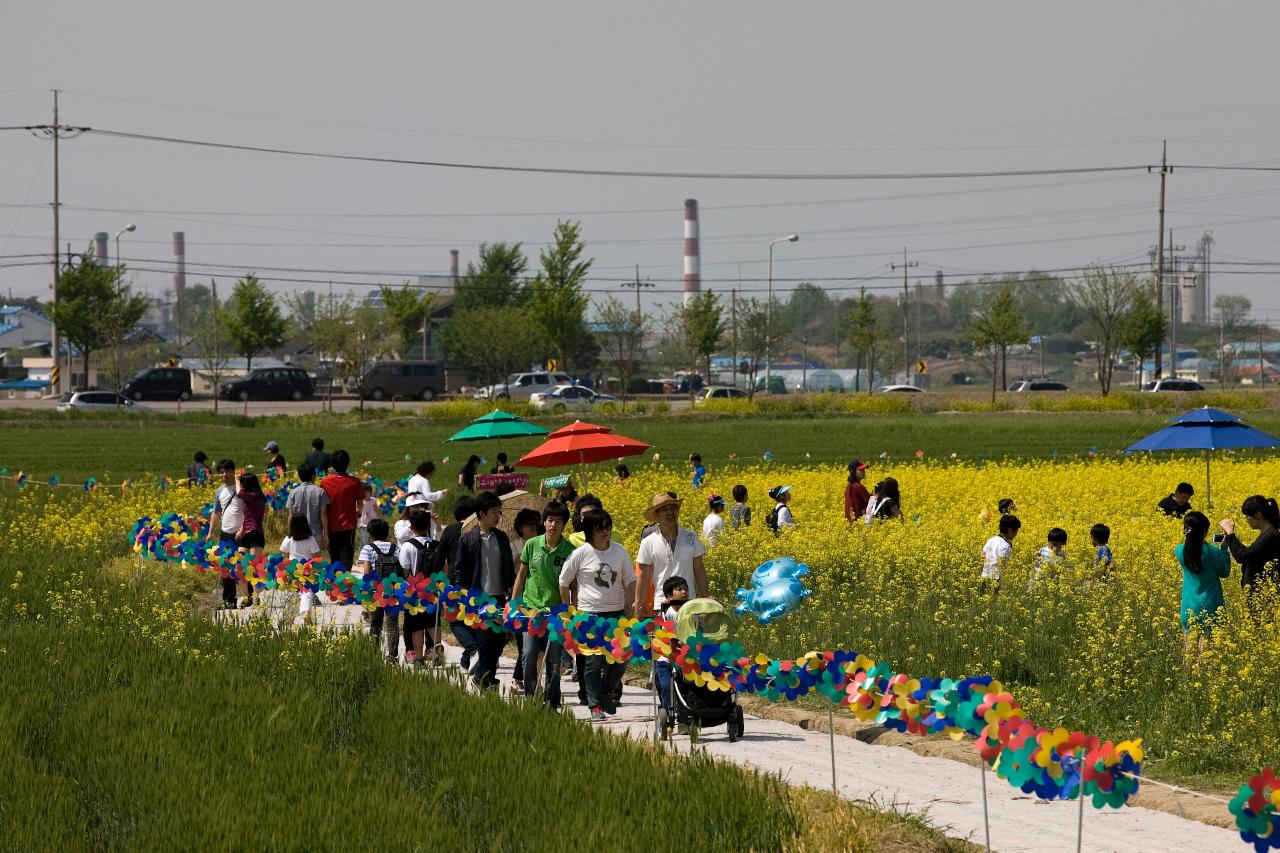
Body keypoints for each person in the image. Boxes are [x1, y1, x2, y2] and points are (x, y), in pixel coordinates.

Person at [559, 508, 635, 721]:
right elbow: (563, 581)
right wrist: (569, 608)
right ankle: (595, 705)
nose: (605, 532)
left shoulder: (619, 551)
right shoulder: (581, 553)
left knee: (622, 657)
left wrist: (632, 608)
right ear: (589, 531)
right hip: (589, 615)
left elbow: (630, 581)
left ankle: (606, 690)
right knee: (593, 662)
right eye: (599, 528)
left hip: (616, 613)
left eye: (607, 527)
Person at [513, 501, 574, 708]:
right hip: (530, 609)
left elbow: (573, 583)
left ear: (564, 524)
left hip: (556, 613)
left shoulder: (569, 550)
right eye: (549, 520)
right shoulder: (531, 545)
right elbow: (522, 575)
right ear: (544, 522)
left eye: (558, 521)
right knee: (529, 654)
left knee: (554, 660)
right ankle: (531, 698)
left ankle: (552, 702)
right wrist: (514, 602)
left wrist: (570, 610)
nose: (553, 525)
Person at [451, 491, 515, 689]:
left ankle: (484, 677)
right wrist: (460, 594)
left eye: (499, 512)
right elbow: (459, 570)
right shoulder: (467, 540)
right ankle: (485, 679)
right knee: (486, 641)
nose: (498, 516)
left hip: (498, 597)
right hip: (478, 598)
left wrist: (512, 587)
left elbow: (509, 567)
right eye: (494, 512)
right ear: (481, 513)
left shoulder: (502, 538)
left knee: (498, 641)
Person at [635, 492, 708, 618]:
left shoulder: (690, 537)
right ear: (657, 514)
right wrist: (639, 604)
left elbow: (699, 569)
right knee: (664, 638)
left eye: (673, 509)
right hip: (662, 605)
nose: (670, 513)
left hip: (688, 604)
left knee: (690, 638)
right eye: (665, 509)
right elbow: (643, 577)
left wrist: (706, 599)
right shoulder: (648, 542)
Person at [1178, 511, 1231, 656]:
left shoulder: (1180, 551)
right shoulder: (1213, 552)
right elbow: (1225, 572)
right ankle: (1202, 678)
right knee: (1206, 652)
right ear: (1205, 532)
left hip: (1188, 607)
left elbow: (1191, 547)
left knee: (1189, 650)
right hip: (1210, 606)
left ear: (1186, 530)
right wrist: (1224, 548)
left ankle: (1187, 677)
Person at [436, 495, 477, 670]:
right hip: (476, 581)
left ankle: (474, 648)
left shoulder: (451, 530)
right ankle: (467, 659)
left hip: (454, 582)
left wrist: (437, 579)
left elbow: (440, 558)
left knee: (455, 621)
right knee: (473, 619)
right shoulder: (478, 530)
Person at [398, 507, 441, 668]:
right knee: (432, 622)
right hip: (433, 590)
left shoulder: (408, 546)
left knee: (416, 626)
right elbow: (444, 569)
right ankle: (436, 650)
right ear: (429, 525)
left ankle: (419, 658)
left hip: (415, 592)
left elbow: (404, 570)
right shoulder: (437, 545)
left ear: (412, 527)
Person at [356, 518, 402, 663]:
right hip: (392, 590)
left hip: (376, 591)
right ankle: (392, 656)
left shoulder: (368, 548)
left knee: (375, 622)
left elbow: (367, 571)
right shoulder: (395, 548)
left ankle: (374, 653)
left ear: (370, 534)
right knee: (392, 623)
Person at [508, 507, 543, 691]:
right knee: (524, 644)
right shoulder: (514, 545)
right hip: (519, 597)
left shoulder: (540, 544)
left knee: (533, 644)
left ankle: (527, 678)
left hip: (535, 599)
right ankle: (518, 678)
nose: (533, 531)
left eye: (535, 528)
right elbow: (515, 572)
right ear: (521, 528)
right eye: (530, 527)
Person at [1220, 494, 1280, 597]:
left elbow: (1242, 557)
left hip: (1263, 594)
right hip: (1261, 592)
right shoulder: (1268, 533)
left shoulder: (1271, 535)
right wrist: (1234, 542)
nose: (1246, 520)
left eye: (1247, 516)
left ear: (1258, 515)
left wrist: (1230, 533)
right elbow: (1251, 555)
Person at [208, 458, 243, 610]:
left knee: (243, 566)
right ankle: (229, 600)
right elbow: (216, 512)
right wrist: (210, 532)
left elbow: (250, 510)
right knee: (226, 567)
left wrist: (243, 528)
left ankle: (249, 597)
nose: (224, 475)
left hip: (242, 534)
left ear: (233, 471)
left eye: (227, 471)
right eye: (221, 472)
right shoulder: (219, 492)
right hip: (226, 534)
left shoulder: (241, 488)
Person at [321, 450, 364, 569]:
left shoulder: (325, 482)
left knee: (334, 556)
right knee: (346, 556)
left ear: (332, 464)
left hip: (331, 524)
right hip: (348, 525)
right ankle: (345, 583)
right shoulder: (354, 482)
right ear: (347, 463)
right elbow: (360, 503)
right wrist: (358, 512)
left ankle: (335, 582)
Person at [653, 576, 689, 712]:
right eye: (679, 590)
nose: (684, 592)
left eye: (686, 589)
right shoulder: (667, 612)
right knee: (666, 686)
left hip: (685, 656)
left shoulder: (691, 611)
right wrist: (664, 605)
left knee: (684, 687)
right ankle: (666, 709)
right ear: (669, 595)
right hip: (667, 656)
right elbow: (663, 626)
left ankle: (683, 714)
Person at [280, 514, 322, 626]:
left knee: (293, 593)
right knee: (306, 592)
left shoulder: (288, 539)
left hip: (292, 569)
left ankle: (289, 617)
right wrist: (318, 569)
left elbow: (284, 556)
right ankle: (305, 612)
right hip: (307, 570)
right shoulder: (310, 539)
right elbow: (316, 556)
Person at [236, 472, 267, 607]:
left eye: (242, 482)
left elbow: (239, 493)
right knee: (241, 566)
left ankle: (256, 597)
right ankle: (245, 597)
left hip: (255, 533)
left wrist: (237, 479)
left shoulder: (256, 496)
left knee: (253, 567)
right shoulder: (252, 497)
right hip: (245, 534)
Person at [286, 464, 329, 550]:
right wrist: (326, 535)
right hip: (315, 533)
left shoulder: (293, 492)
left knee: (299, 561)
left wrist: (290, 533)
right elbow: (323, 515)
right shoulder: (320, 492)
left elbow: (290, 516)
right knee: (315, 561)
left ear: (299, 476)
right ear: (313, 476)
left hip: (297, 533)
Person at [981, 514, 1021, 590]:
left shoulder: (991, 540)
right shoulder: (1005, 545)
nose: (1016, 534)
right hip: (996, 579)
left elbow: (982, 554)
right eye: (1016, 531)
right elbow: (1002, 564)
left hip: (985, 577)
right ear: (1010, 531)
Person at [358, 482, 380, 549]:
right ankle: (363, 551)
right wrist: (357, 521)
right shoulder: (360, 501)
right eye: (363, 493)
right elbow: (358, 511)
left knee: (373, 539)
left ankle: (372, 551)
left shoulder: (373, 500)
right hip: (364, 523)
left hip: (372, 522)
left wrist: (379, 516)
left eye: (366, 492)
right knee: (364, 539)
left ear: (370, 492)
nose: (364, 494)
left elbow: (376, 509)